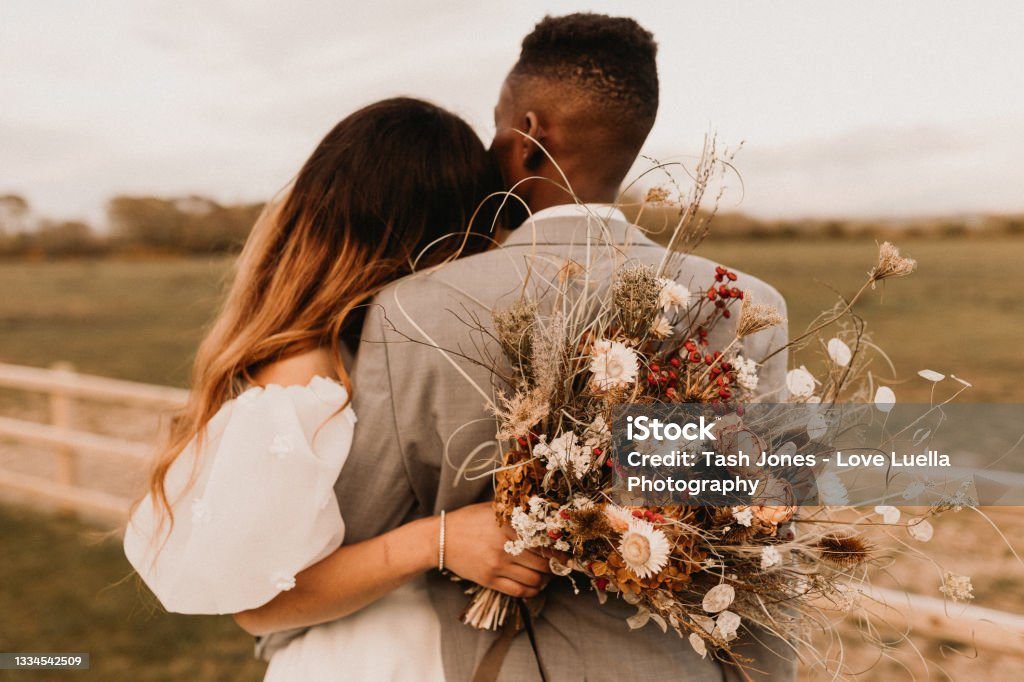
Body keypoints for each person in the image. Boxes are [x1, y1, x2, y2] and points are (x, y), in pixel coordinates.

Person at [323, 13, 797, 682]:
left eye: (497, 124)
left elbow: (357, 534)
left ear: (528, 134)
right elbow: (765, 541)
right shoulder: (746, 308)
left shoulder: (412, 309)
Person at [123, 97, 552, 681]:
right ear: (434, 234)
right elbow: (257, 606)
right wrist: (437, 540)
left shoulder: (388, 348)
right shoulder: (307, 374)